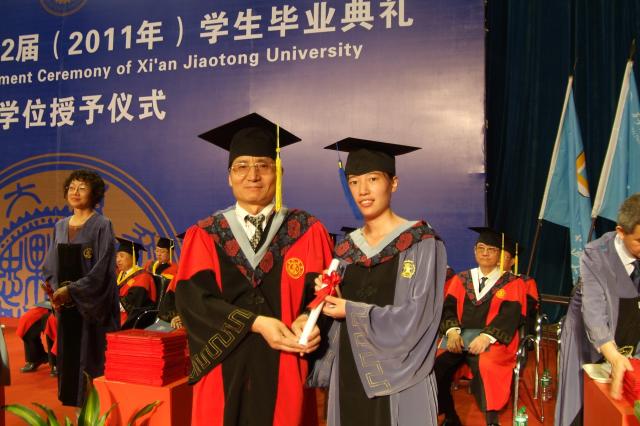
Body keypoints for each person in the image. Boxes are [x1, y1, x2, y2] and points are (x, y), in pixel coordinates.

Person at [174, 113, 334, 426]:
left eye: (263, 165)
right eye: (242, 166)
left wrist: (309, 320)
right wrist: (256, 323)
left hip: (286, 364)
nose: (253, 175)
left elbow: (325, 294)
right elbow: (193, 302)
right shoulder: (206, 234)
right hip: (223, 367)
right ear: (229, 176)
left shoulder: (307, 230)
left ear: (279, 173)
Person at [308, 138, 447, 426]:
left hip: (400, 376)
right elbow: (335, 322)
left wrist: (350, 310)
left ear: (393, 183)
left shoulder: (421, 242)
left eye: (372, 179)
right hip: (349, 372)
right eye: (354, 181)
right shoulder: (346, 249)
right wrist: (327, 299)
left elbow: (419, 316)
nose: (363, 190)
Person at [555, 193, 640, 426]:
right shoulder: (596, 255)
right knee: (583, 400)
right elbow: (594, 313)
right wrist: (613, 356)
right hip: (587, 333)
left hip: (630, 324)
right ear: (621, 232)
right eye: (639, 241)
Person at [42, 169, 119, 407]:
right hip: (67, 309)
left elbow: (103, 269)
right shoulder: (60, 226)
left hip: (92, 308)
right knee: (69, 360)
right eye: (72, 187)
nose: (75, 192)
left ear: (94, 194)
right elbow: (50, 265)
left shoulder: (102, 224)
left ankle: (94, 413)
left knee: (91, 361)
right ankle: (77, 412)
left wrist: (73, 291)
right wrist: (55, 291)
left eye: (82, 188)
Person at [435, 227, 526, 426]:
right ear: (474, 251)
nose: (485, 253)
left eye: (491, 250)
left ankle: (492, 420)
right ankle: (450, 416)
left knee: (487, 366)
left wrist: (486, 337)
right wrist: (452, 332)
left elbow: (510, 315)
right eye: (481, 248)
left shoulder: (512, 283)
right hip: (459, 339)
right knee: (435, 366)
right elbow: (448, 308)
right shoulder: (462, 279)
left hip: (493, 342)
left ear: (499, 254)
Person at [115, 237, 157, 329]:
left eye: (121, 256)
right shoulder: (120, 275)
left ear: (133, 257)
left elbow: (132, 304)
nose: (118, 260)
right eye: (117, 256)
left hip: (130, 320)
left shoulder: (143, 277)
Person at [15, 304, 57, 375]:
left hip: (70, 306)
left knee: (51, 322)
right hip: (51, 304)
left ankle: (57, 362)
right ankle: (35, 358)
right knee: (26, 319)